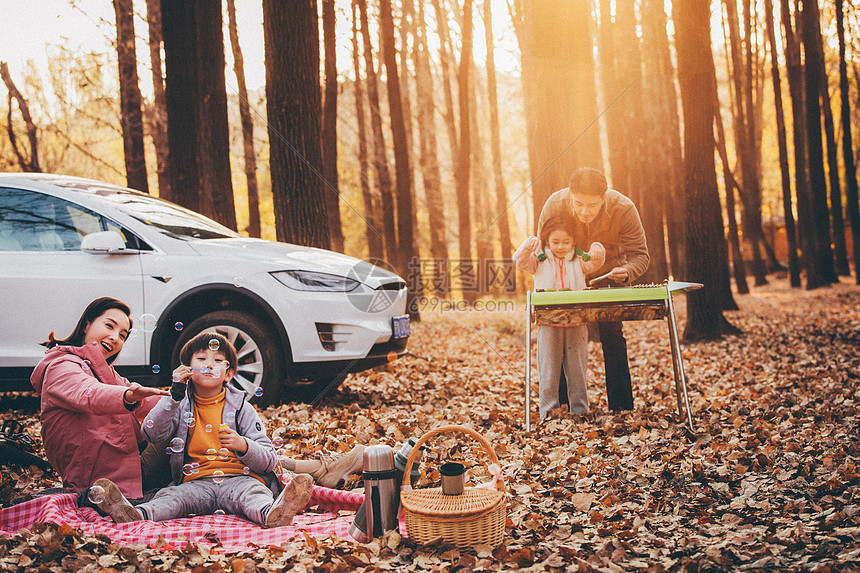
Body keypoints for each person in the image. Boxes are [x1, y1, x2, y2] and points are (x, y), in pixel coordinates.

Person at [92, 331, 363, 527]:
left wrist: (243, 445)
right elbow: (152, 433)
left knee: (254, 496)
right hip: (195, 482)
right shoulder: (177, 403)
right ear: (187, 369)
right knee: (171, 498)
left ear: (229, 373)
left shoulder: (242, 407)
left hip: (240, 478)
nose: (209, 364)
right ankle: (136, 514)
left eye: (218, 360)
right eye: (201, 358)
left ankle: (274, 512)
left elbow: (269, 457)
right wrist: (172, 396)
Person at [30, 297, 170, 501]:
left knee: (183, 416)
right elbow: (89, 393)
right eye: (109, 326)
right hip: (104, 477)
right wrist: (128, 396)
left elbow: (147, 403)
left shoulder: (107, 373)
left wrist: (181, 399)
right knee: (182, 428)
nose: (115, 338)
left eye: (122, 335)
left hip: (125, 466)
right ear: (87, 324)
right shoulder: (61, 366)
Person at [536, 167, 650, 412]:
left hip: (608, 277)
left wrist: (627, 271)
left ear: (604, 197)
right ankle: (563, 408)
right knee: (561, 338)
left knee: (613, 337)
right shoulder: (554, 205)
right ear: (570, 195)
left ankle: (622, 409)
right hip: (563, 281)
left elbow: (641, 256)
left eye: (592, 206)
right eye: (578, 204)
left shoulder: (623, 208)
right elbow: (542, 253)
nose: (584, 212)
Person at [514, 214, 605, 419]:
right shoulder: (539, 258)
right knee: (548, 369)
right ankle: (548, 412)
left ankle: (581, 410)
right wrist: (529, 245)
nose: (561, 247)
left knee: (577, 369)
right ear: (546, 240)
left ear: (573, 240)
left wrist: (598, 250)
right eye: (555, 242)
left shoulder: (579, 258)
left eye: (566, 242)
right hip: (548, 321)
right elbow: (519, 260)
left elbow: (596, 261)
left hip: (576, 321)